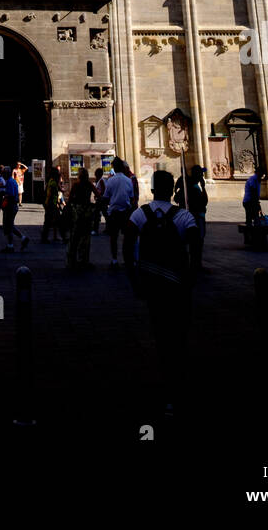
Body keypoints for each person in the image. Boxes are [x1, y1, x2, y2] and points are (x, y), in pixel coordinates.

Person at [124, 169, 201, 414]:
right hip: (178, 284)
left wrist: (133, 279)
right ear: (172, 191)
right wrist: (191, 276)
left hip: (152, 284)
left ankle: (168, 376)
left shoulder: (140, 214)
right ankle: (178, 378)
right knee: (179, 331)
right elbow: (196, 248)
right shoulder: (184, 216)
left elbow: (127, 247)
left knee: (160, 328)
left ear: (153, 189)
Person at [104, 158, 136, 267]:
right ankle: (127, 258)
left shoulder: (110, 181)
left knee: (113, 237)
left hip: (114, 212)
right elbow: (132, 197)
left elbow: (106, 197)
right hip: (125, 212)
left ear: (114, 167)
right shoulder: (128, 180)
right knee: (126, 237)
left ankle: (114, 259)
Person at [66, 167, 96, 269]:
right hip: (87, 212)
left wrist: (70, 207)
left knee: (74, 237)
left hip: (77, 213)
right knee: (85, 238)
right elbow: (98, 195)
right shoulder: (89, 185)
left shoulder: (76, 185)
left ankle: (71, 261)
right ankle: (84, 260)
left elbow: (70, 199)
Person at [0, 165, 27, 252]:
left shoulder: (10, 182)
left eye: (3, 173)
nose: (2, 175)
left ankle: (11, 245)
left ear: (6, 174)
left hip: (10, 206)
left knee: (9, 225)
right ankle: (22, 238)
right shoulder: (11, 181)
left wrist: (4, 199)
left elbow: (11, 195)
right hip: (12, 206)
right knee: (10, 225)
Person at [41, 166, 62, 243]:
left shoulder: (51, 181)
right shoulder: (53, 183)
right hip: (51, 204)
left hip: (49, 204)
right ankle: (64, 237)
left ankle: (44, 237)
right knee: (58, 221)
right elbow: (50, 194)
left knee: (48, 221)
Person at [91, 167, 108, 235]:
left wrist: (99, 195)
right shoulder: (99, 180)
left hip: (101, 200)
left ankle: (95, 229)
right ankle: (107, 228)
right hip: (100, 199)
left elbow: (103, 190)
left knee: (97, 215)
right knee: (104, 214)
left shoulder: (101, 181)